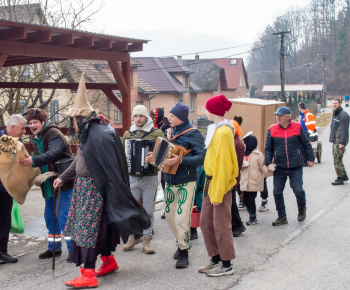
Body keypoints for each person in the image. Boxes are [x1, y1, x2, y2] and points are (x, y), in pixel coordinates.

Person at [52, 74, 150, 288]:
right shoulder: (90, 133)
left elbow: (111, 166)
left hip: (93, 190)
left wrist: (106, 189)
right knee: (101, 227)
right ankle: (108, 261)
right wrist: (62, 177)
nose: (72, 124)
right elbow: (80, 162)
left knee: (86, 230)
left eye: (73, 120)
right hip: (87, 188)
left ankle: (87, 274)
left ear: (80, 118)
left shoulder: (99, 133)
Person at [20, 108, 74, 262]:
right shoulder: (38, 137)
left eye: (35, 122)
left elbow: (54, 153)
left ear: (43, 122)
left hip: (62, 182)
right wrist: (38, 177)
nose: (32, 125)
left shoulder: (53, 134)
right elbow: (44, 159)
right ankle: (54, 249)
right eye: (30, 123)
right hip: (49, 184)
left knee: (64, 216)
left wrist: (33, 161)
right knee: (50, 217)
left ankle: (73, 249)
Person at [199, 95, 239, 277]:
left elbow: (224, 164)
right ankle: (215, 259)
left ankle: (226, 264)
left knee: (221, 225)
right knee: (205, 222)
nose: (206, 111)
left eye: (208, 108)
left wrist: (219, 192)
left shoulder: (223, 132)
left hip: (219, 183)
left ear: (214, 110)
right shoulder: (214, 129)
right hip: (210, 181)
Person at [162, 102, 205, 269]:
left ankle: (184, 251)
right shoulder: (169, 132)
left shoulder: (193, 134)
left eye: (172, 116)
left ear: (179, 117)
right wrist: (154, 157)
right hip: (169, 179)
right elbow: (165, 152)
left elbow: (201, 158)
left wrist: (179, 161)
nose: (169, 118)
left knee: (182, 217)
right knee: (170, 215)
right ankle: (179, 242)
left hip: (187, 180)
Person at [122, 105, 164, 254]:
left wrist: (153, 157)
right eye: (136, 116)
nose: (138, 119)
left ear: (146, 117)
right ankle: (133, 237)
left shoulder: (156, 133)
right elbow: (121, 154)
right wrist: (125, 158)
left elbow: (163, 155)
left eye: (141, 116)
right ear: (133, 118)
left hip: (150, 177)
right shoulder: (128, 134)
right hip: (132, 178)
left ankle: (146, 240)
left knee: (148, 210)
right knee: (132, 210)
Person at [265, 106, 314, 226]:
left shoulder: (297, 127)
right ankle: (282, 216)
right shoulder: (272, 129)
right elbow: (268, 148)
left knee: (298, 189)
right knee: (277, 192)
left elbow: (306, 144)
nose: (278, 117)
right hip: (279, 166)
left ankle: (302, 209)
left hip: (295, 166)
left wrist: (311, 158)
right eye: (276, 115)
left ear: (288, 117)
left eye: (280, 115)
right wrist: (268, 162)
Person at [0, 114, 27, 264]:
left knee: (4, 221)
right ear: (12, 127)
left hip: (7, 189)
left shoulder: (18, 142)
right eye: (22, 128)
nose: (24, 131)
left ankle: (2, 252)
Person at [240, 135, 268, 226]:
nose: (243, 145)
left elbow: (262, 167)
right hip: (245, 181)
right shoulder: (243, 154)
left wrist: (269, 169)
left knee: (251, 200)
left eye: (245, 143)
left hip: (254, 182)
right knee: (244, 200)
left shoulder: (258, 154)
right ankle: (251, 213)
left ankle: (253, 217)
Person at [150, 107, 171, 220]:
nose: (153, 118)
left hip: (164, 159)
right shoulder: (151, 127)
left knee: (164, 184)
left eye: (155, 116)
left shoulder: (168, 127)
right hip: (153, 159)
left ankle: (167, 208)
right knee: (153, 185)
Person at [329, 98, 350, 185]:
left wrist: (342, 143)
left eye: (336, 103)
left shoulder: (343, 115)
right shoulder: (336, 114)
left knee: (337, 160)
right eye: (333, 103)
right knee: (336, 159)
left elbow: (344, 130)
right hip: (335, 140)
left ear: (340, 104)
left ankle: (340, 178)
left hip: (339, 141)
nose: (334, 104)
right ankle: (343, 175)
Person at [231, 131, 245, 237]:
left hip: (231, 178)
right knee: (231, 202)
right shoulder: (236, 142)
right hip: (233, 177)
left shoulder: (235, 144)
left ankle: (238, 224)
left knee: (231, 202)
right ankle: (237, 224)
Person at [298, 102, 316, 166]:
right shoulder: (301, 115)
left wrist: (309, 133)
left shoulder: (308, 115)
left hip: (306, 133)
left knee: (306, 147)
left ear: (300, 107)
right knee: (302, 147)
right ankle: (304, 160)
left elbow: (312, 124)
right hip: (302, 133)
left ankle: (306, 160)